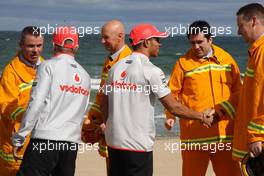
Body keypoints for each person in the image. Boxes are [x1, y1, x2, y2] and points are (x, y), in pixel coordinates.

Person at [101, 23, 214, 176]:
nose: (160, 44)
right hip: (137, 146)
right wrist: (201, 116)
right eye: (157, 40)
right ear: (146, 42)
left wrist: (110, 128)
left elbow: (104, 103)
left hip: (114, 143)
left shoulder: (115, 68)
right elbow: (173, 107)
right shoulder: (152, 71)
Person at [165, 20, 242, 176]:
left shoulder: (227, 59)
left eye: (200, 42)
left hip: (224, 136)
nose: (196, 47)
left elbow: (238, 92)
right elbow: (172, 93)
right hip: (194, 137)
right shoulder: (182, 63)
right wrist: (170, 115)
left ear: (210, 39)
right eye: (192, 43)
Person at [12, 26, 91, 176]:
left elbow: (35, 103)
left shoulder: (47, 66)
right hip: (70, 145)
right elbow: (81, 112)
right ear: (76, 47)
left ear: (54, 45)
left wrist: (20, 137)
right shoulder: (85, 76)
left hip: (44, 141)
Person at [81, 19, 132, 174]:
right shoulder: (111, 60)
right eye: (102, 37)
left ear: (120, 36)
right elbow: (103, 95)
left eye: (106, 37)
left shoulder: (128, 61)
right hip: (110, 130)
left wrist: (110, 123)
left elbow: (128, 101)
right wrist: (92, 119)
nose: (102, 41)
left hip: (123, 134)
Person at [216, 3, 264, 162]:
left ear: (254, 21)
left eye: (240, 25)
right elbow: (248, 95)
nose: (238, 31)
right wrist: (222, 110)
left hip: (258, 144)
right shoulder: (256, 51)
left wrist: (258, 134)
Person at [0, 26, 44, 176]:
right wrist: (29, 117)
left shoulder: (46, 67)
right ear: (21, 45)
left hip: (39, 141)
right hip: (16, 142)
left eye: (39, 45)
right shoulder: (10, 72)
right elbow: (6, 106)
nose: (35, 50)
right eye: (31, 46)